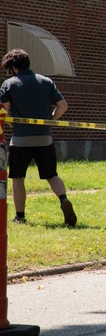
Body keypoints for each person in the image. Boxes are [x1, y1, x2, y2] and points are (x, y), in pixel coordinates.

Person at [0, 49, 77, 226]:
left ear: (12, 67)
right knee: (52, 175)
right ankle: (64, 199)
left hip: (20, 139)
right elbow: (62, 105)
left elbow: (3, 112)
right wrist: (49, 121)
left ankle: (20, 216)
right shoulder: (46, 81)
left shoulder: (9, 84)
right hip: (44, 138)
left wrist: (16, 125)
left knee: (18, 178)